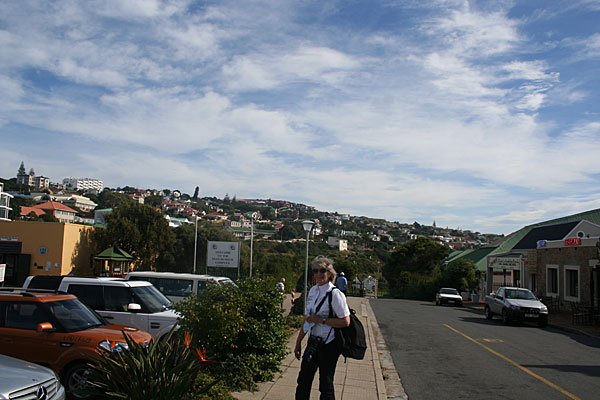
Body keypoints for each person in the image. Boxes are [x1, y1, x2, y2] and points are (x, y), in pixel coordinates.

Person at [294, 256, 350, 400]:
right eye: (315, 271)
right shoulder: (313, 291)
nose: (318, 274)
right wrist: (298, 342)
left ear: (329, 273)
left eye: (322, 271)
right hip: (313, 342)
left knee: (325, 384)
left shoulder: (335, 294)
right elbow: (307, 319)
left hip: (329, 344)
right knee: (303, 381)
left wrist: (321, 320)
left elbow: (345, 321)